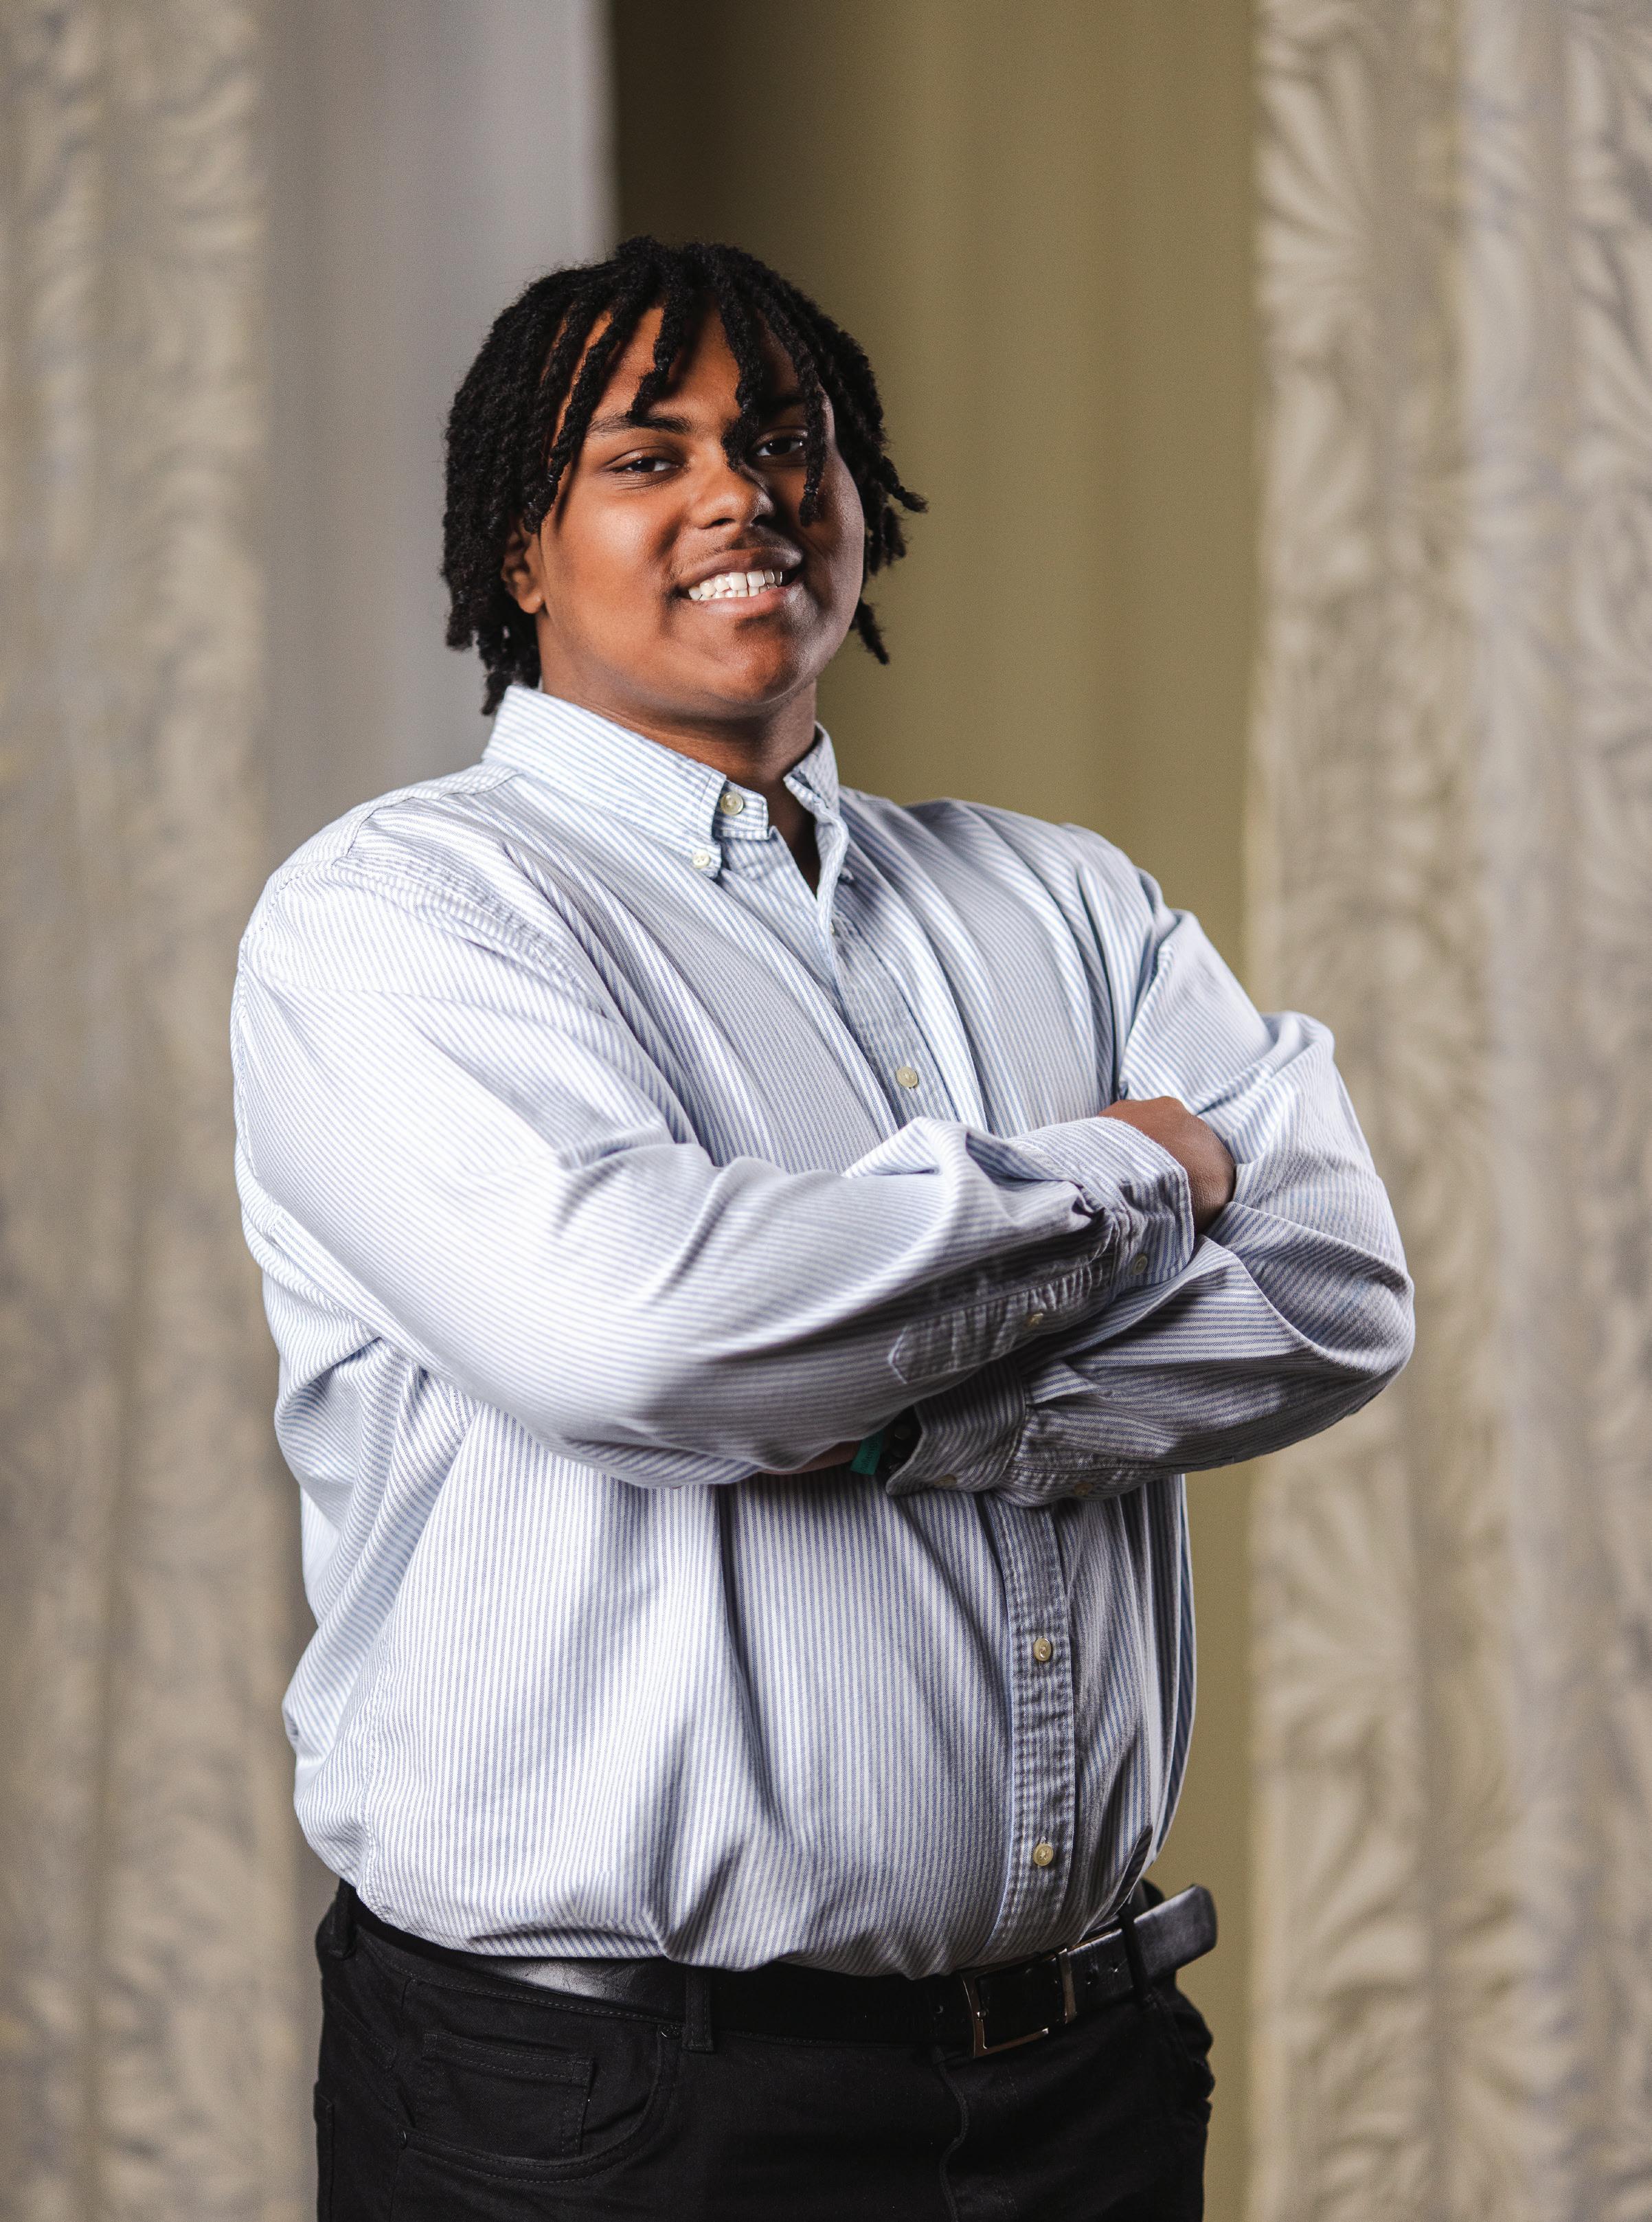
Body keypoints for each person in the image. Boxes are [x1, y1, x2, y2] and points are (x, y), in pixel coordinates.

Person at [233, 236, 1412, 2220]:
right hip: (604, 2109)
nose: (746, 493)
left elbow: (1336, 1291)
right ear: (521, 550)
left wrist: (892, 1410)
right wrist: (1138, 1170)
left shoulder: (1068, 902)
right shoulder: (402, 915)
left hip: (1083, 2081)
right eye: (649, 455)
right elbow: (642, 1336)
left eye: (789, 440)